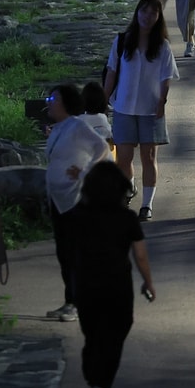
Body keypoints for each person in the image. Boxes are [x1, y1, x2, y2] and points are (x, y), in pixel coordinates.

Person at [65, 161, 154, 388]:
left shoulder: (77, 215)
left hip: (85, 285)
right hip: (118, 287)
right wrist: (148, 283)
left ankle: (94, 377)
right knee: (114, 339)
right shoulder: (126, 218)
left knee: (93, 337)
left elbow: (67, 252)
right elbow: (140, 255)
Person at [104, 0, 179, 222]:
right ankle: (127, 192)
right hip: (124, 106)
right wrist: (102, 101)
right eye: (144, 11)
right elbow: (112, 72)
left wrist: (162, 102)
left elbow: (166, 77)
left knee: (149, 157)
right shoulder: (121, 41)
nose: (148, 16)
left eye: (153, 13)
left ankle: (147, 205)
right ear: (137, 13)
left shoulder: (163, 46)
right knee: (124, 157)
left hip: (150, 108)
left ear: (158, 17)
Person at [44, 83, 113, 322]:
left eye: (53, 99)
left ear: (66, 103)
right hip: (57, 199)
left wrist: (85, 172)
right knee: (64, 253)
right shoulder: (58, 128)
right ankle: (70, 300)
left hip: (74, 199)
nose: (49, 103)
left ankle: (79, 303)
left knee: (75, 253)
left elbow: (102, 147)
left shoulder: (77, 125)